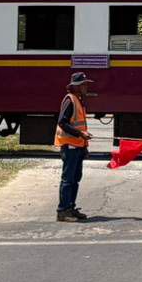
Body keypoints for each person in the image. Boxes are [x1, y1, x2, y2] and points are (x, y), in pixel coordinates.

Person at [55, 72, 94, 221]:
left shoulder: (78, 100)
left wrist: (84, 147)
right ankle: (63, 211)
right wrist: (80, 134)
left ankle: (70, 208)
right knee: (68, 179)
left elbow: (80, 126)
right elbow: (62, 122)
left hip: (78, 146)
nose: (86, 87)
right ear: (76, 86)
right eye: (84, 84)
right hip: (70, 146)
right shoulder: (70, 100)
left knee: (75, 179)